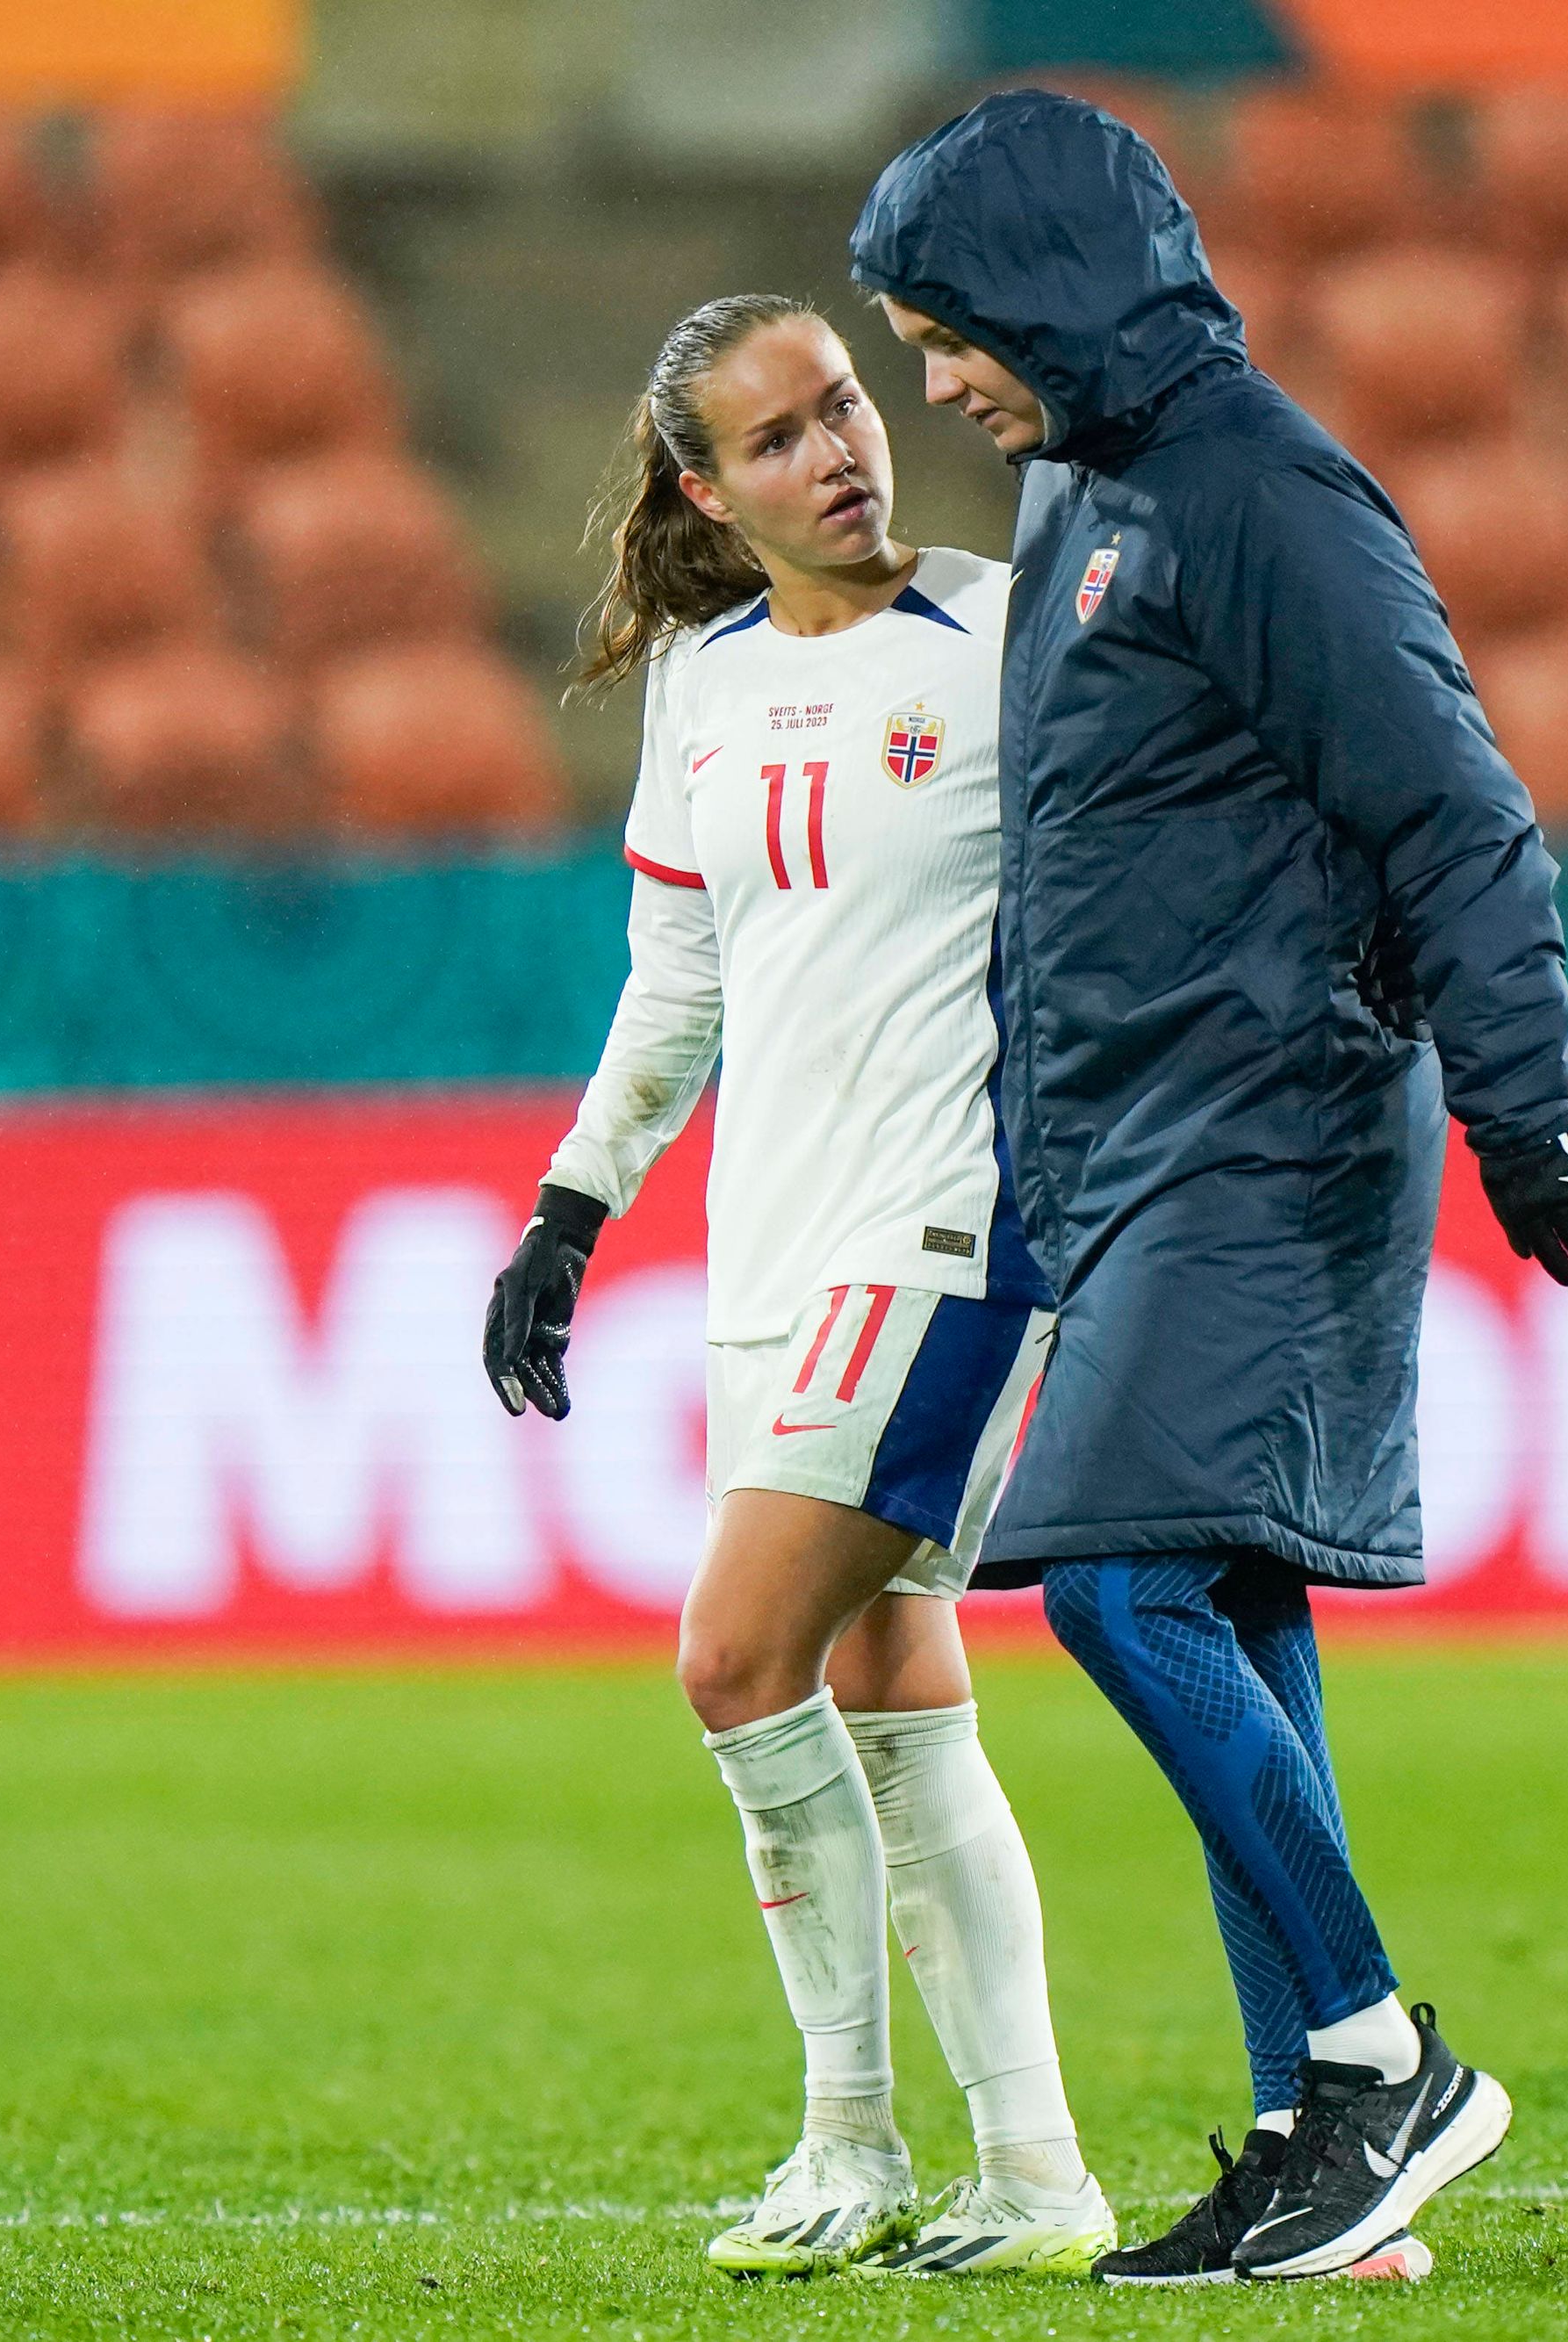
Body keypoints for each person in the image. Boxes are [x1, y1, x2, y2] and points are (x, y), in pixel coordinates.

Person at [848, 93, 1568, 2286]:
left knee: (1109, 1582)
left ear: (1041, 294)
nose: (935, 383)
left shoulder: (1259, 495)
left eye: (943, 334)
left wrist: (1524, 1107)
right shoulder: (1083, 481)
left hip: (1265, 1131)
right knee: (1234, 1595)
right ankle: (1312, 2127)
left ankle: (1388, 2071)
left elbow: (1454, 812)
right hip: (1128, 1141)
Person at [480, 292, 1115, 2279]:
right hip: (773, 1243)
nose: (837, 449)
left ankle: (847, 2139)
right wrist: (573, 1208)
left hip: (956, 1225)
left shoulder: (1020, 634)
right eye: (776, 438)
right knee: (885, 1680)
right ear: (704, 485)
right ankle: (1032, 2182)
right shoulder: (703, 682)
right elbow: (677, 986)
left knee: (729, 1658)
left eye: (842, 403)